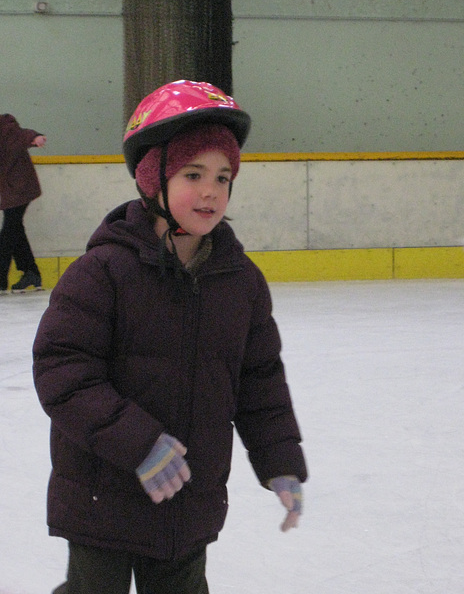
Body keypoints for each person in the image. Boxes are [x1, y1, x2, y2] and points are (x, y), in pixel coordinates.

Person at [33, 80, 308, 594]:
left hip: (187, 498)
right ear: (151, 178)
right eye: (193, 174)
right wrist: (138, 443)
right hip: (104, 493)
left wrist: (280, 461)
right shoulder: (103, 272)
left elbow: (259, 382)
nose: (211, 191)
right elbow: (62, 372)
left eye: (224, 177)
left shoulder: (239, 281)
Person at [0, 113, 45, 293]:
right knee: (15, 229)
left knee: (9, 231)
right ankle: (31, 272)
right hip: (10, 190)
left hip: (21, 187)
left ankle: (1, 279)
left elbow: (21, 134)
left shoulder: (4, 125)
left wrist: (35, 137)